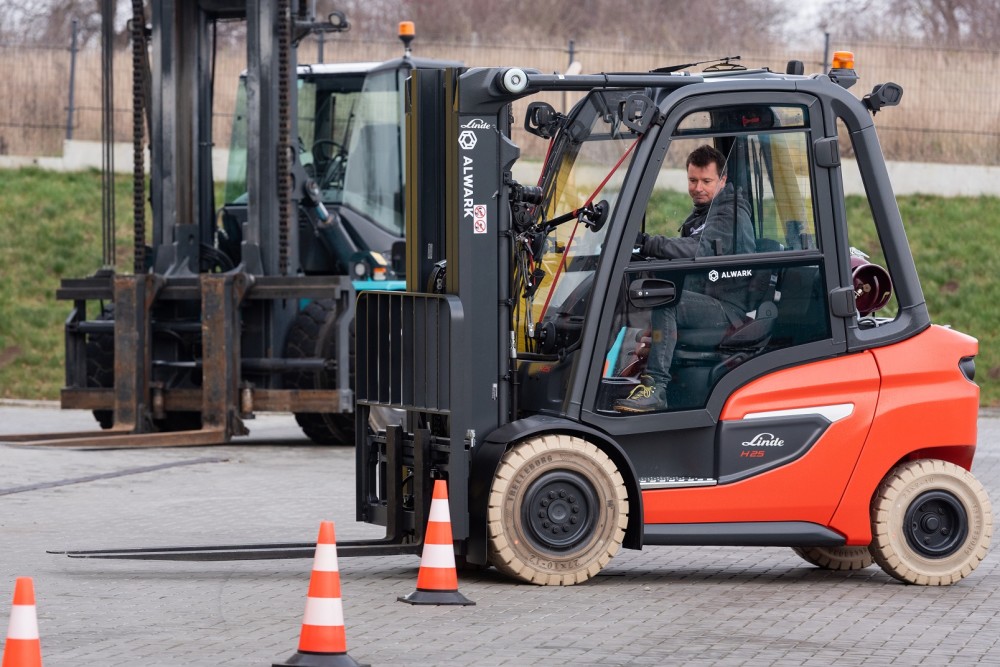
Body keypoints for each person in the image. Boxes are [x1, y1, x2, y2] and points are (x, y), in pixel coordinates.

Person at [613, 144, 754, 413]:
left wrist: (648, 243)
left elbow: (696, 249)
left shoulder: (729, 214)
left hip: (727, 308)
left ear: (722, 181)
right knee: (632, 290)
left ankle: (656, 388)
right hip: (707, 299)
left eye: (706, 181)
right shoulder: (704, 213)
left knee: (666, 299)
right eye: (692, 180)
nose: (698, 187)